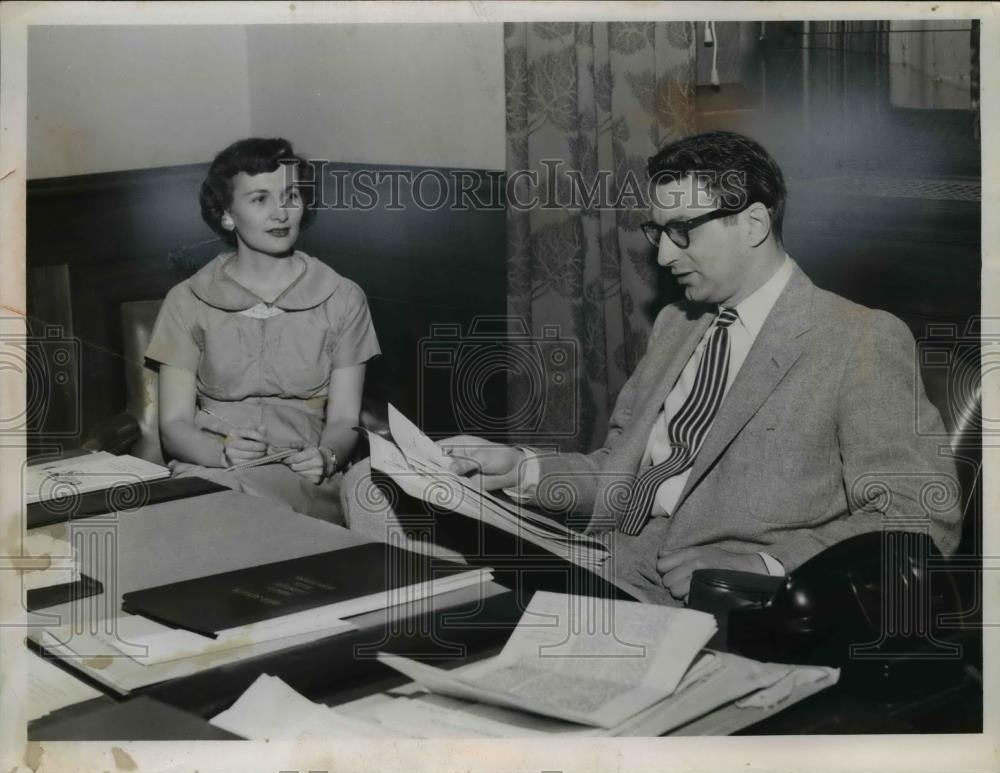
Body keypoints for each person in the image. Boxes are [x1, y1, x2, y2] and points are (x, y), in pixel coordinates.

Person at [343, 131, 961, 603]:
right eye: (657, 231)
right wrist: (522, 472)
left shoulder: (859, 339)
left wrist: (775, 566)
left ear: (753, 223)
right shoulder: (677, 327)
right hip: (598, 557)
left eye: (681, 232)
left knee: (435, 585)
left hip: (697, 596)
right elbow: (619, 481)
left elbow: (918, 514)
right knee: (373, 486)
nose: (663, 255)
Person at [146, 137, 380, 522]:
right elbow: (174, 424)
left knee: (236, 514)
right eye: (260, 199)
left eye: (290, 195)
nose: (281, 213)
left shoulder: (343, 297)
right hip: (214, 469)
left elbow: (343, 420)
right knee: (209, 509)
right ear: (226, 214)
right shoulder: (187, 300)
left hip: (302, 475)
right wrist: (220, 454)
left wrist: (326, 456)